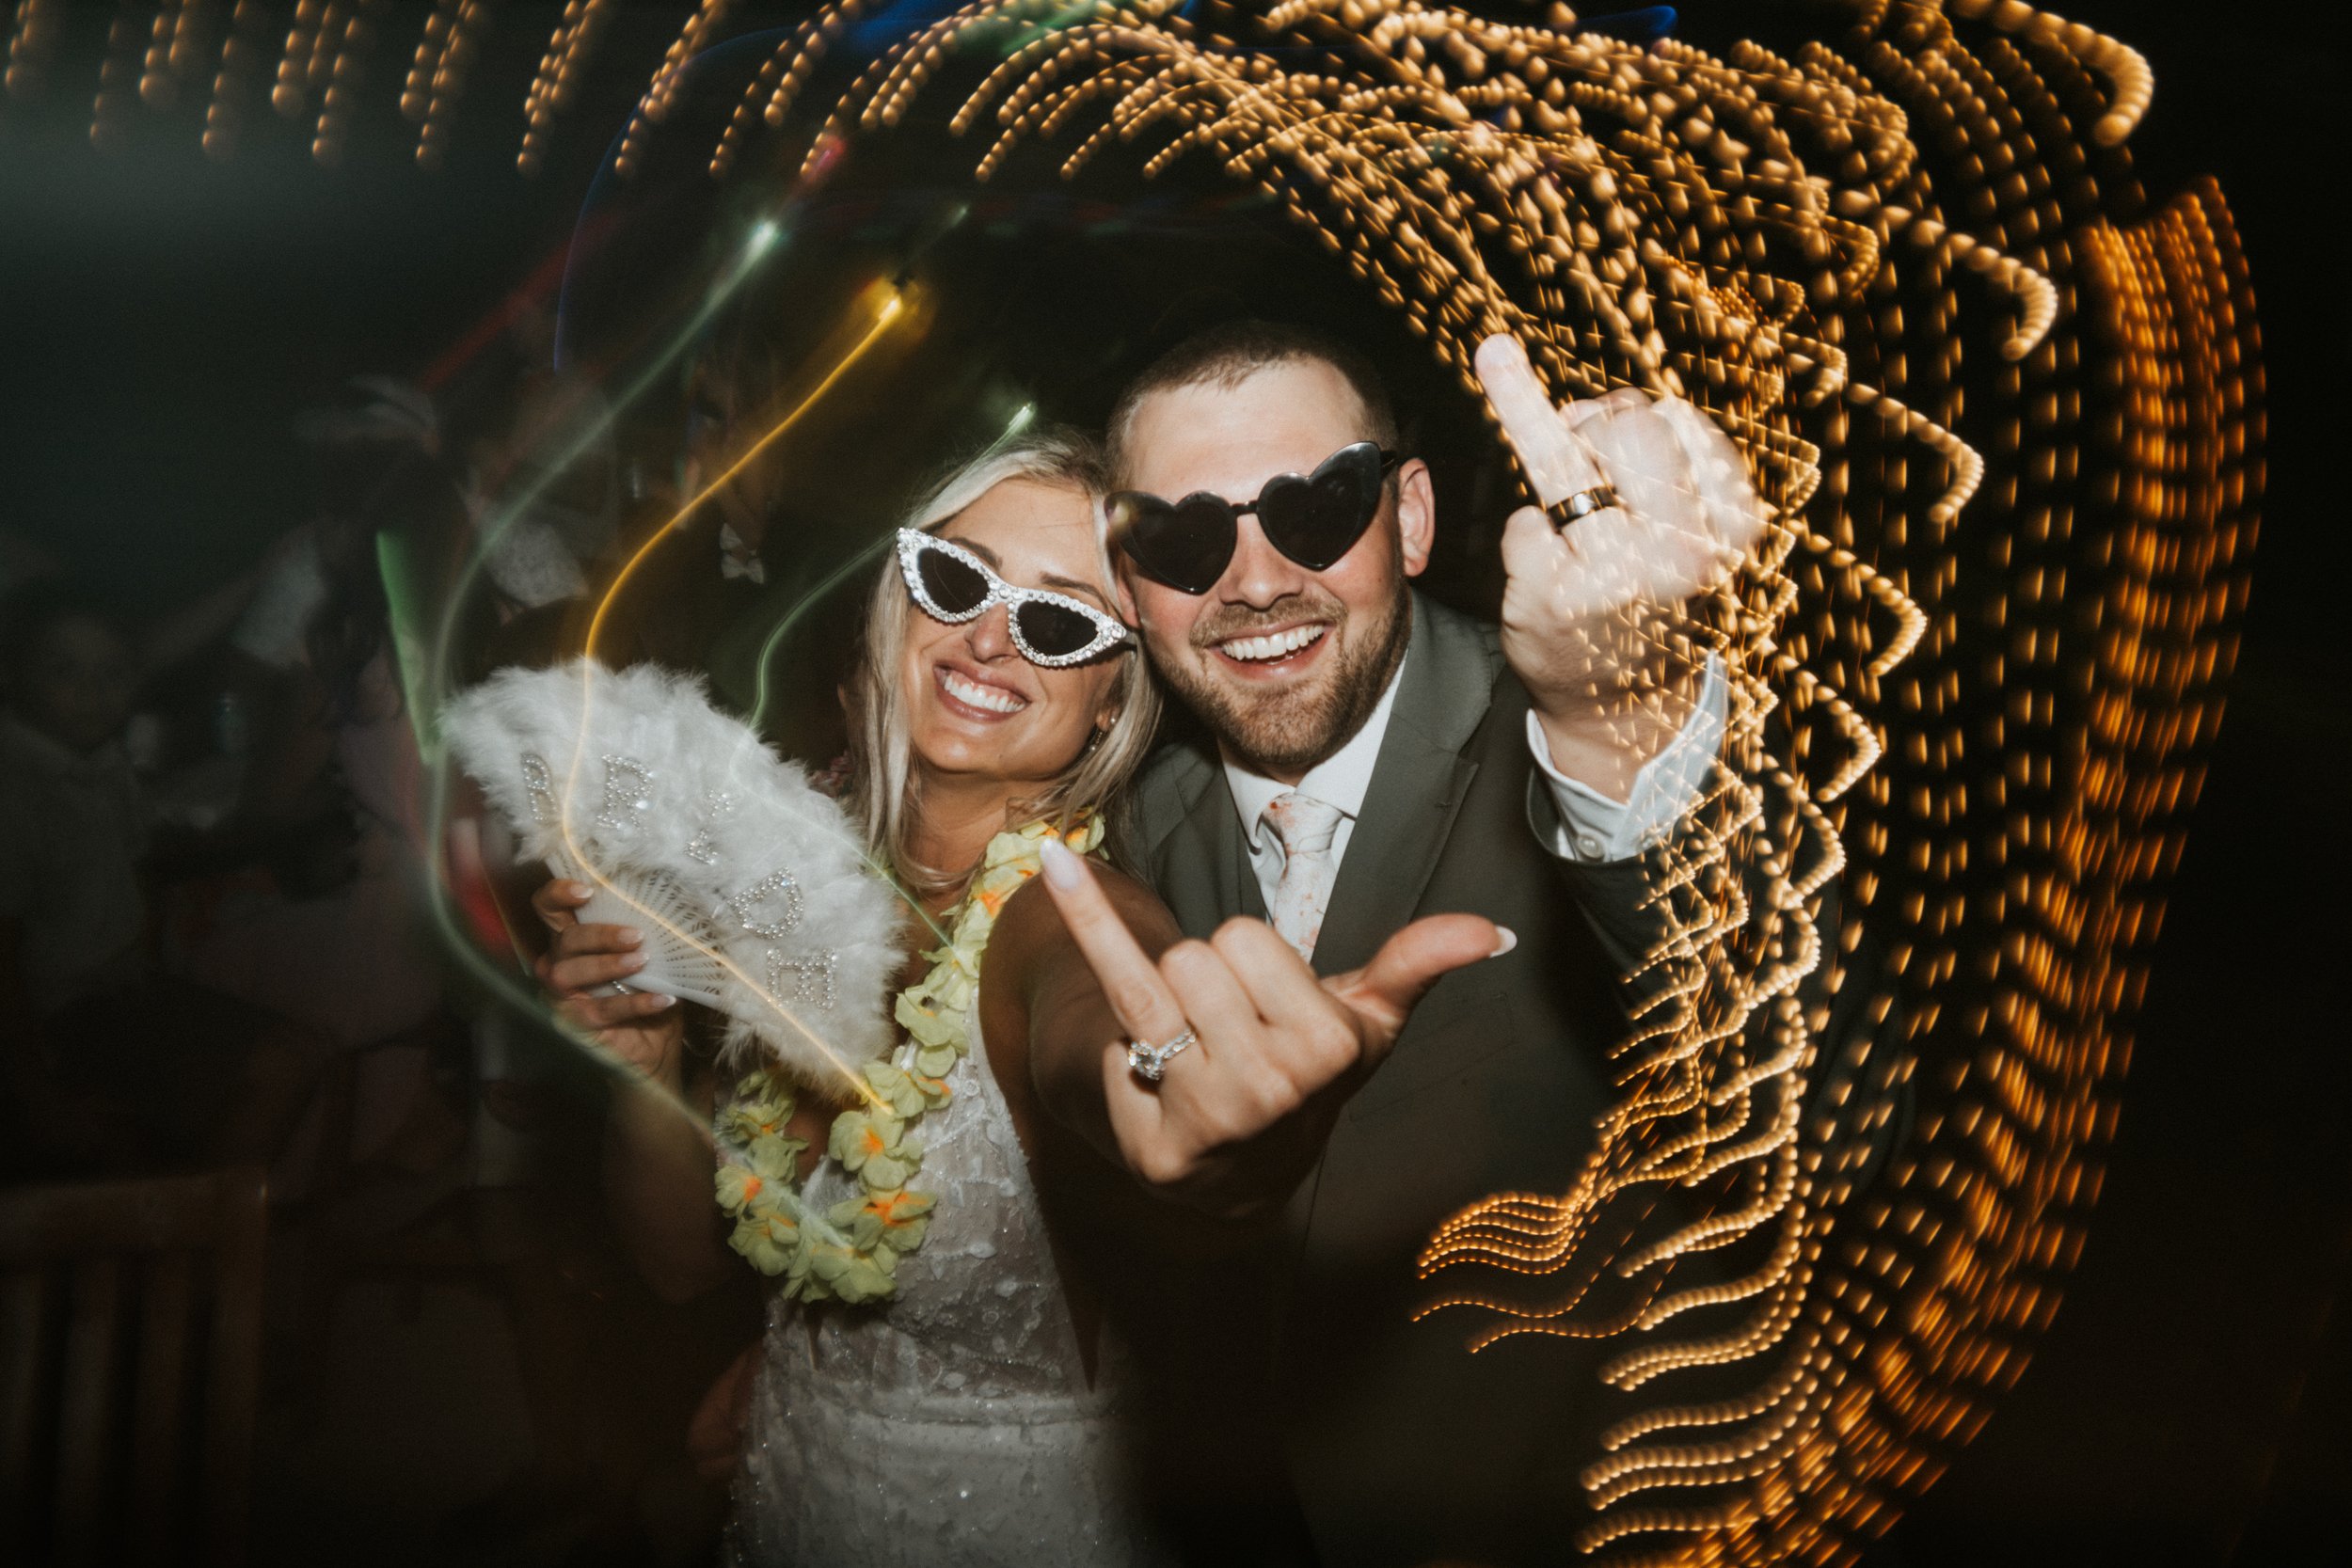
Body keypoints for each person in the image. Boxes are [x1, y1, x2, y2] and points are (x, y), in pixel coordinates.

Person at [533, 429, 1495, 1564]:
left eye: (1058, 618)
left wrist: (1179, 1100)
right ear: (898, 601)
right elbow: (680, 1263)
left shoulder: (1060, 922)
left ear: (1107, 699)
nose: (989, 635)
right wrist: (643, 1065)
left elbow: (1095, 1020)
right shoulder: (788, 895)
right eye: (955, 577)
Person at [1007, 319, 1774, 1568]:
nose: (1255, 580)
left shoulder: (1580, 735)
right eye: (1186, 538)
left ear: (1409, 516)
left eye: (1317, 508)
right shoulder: (1130, 814)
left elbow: (1835, 1098)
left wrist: (1615, 715)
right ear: (1127, 579)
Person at [0, 581, 323, 1178]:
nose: (94, 692)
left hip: (118, 993)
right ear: (12, 674)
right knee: (282, 1063)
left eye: (114, 672)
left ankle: (187, 1237)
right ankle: (191, 1247)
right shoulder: (16, 785)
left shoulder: (99, 761)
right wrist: (34, 1090)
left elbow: (137, 867)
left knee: (307, 1046)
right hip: (58, 1020)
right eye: (65, 671)